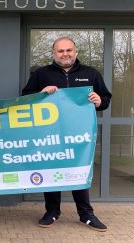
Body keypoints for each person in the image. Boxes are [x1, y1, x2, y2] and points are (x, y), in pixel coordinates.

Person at [22, 37, 112, 232]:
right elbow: (25, 98)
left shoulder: (91, 73)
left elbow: (105, 99)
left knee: (79, 172)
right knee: (52, 171)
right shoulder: (41, 74)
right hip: (51, 135)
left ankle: (86, 214)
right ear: (54, 54)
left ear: (76, 51)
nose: (65, 54)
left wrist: (99, 100)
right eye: (61, 51)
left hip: (79, 136)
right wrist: (41, 94)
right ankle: (52, 212)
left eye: (69, 50)